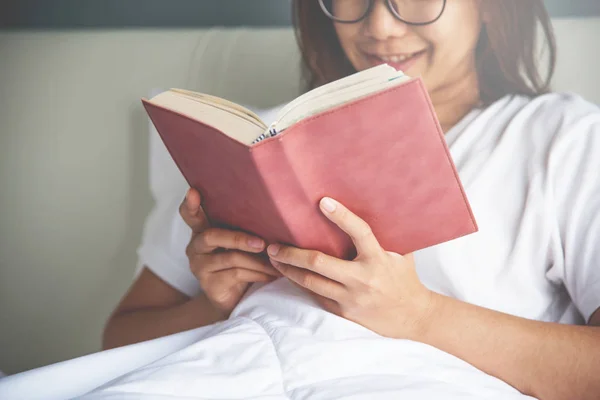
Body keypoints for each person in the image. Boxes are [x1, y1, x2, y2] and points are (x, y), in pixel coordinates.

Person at [103, 1, 600, 399]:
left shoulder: (561, 139)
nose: (380, 25)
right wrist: (216, 304)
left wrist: (420, 315)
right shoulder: (252, 145)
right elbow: (117, 341)